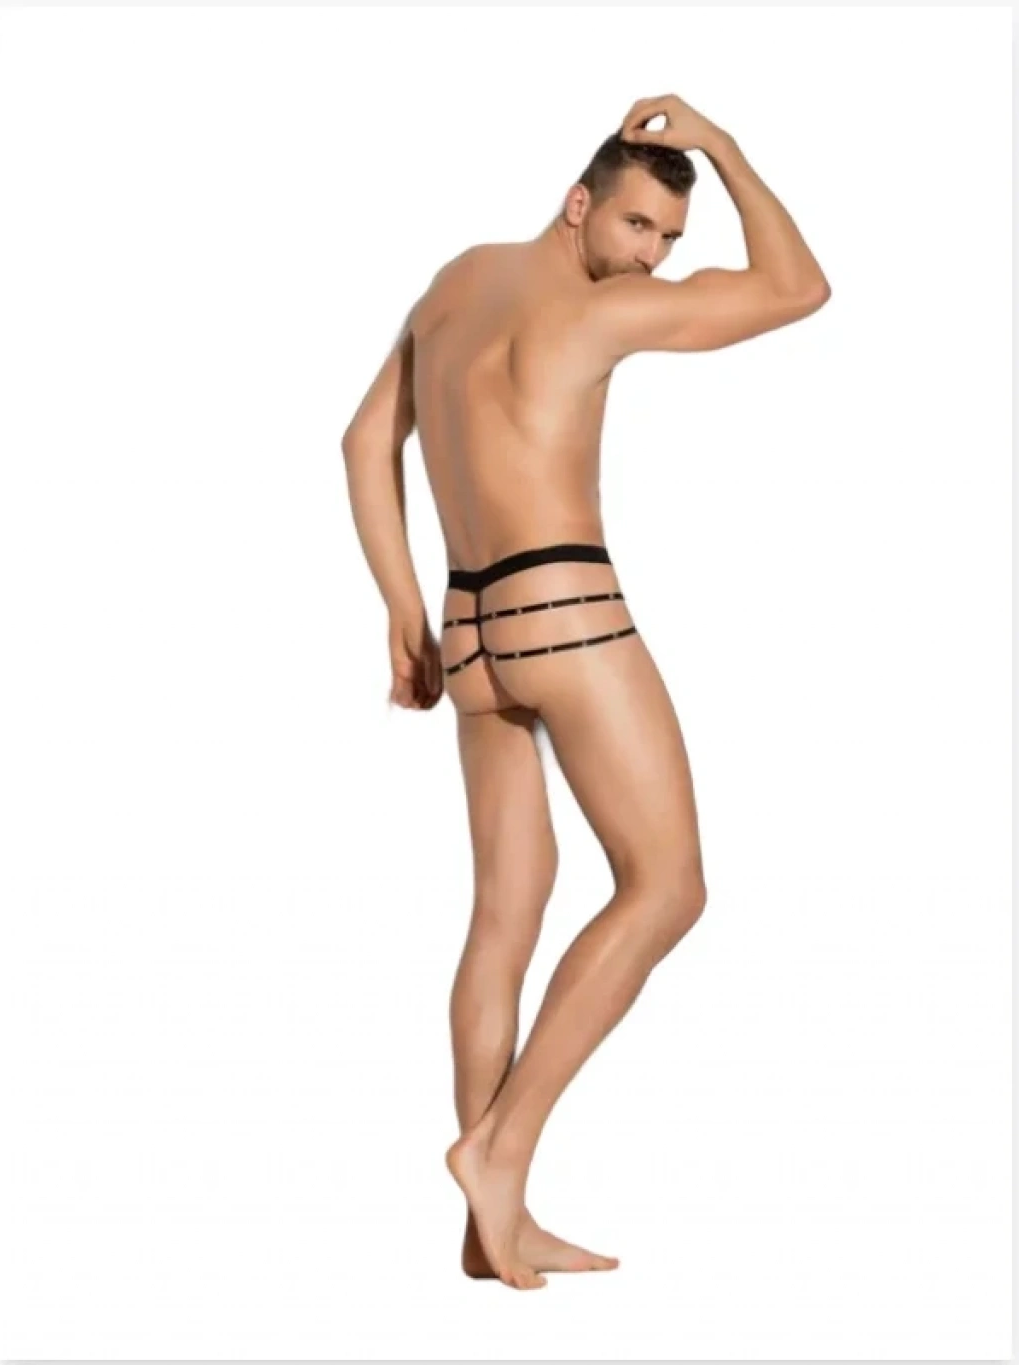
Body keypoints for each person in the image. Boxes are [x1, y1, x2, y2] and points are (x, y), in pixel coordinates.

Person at [341, 92, 831, 1290]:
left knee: (505, 911)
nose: (652, 257)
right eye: (637, 226)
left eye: (667, 239)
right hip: (566, 611)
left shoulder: (456, 283)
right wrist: (722, 145)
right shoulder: (602, 311)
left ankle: (488, 1232)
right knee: (668, 887)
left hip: (469, 627)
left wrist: (403, 610)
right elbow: (797, 287)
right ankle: (498, 1153)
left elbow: (364, 441)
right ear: (578, 204)